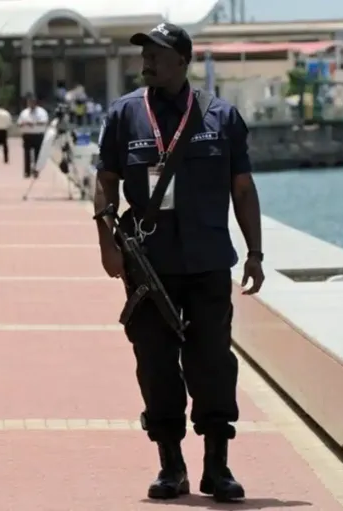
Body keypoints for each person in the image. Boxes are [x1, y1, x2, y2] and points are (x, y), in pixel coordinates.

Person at [93, 23, 264, 503]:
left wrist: (255, 251)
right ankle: (171, 466)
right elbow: (105, 180)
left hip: (209, 263)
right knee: (155, 364)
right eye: (144, 54)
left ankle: (217, 468)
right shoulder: (125, 114)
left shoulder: (221, 116)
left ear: (183, 60)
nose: (147, 62)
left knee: (212, 363)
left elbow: (243, 189)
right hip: (149, 267)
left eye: (157, 54)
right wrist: (105, 239)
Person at [16, 94, 49, 178]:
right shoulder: (24, 112)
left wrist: (33, 123)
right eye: (29, 102)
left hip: (38, 135)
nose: (31, 104)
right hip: (27, 135)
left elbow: (44, 121)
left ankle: (36, 171)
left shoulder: (41, 112)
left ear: (35, 103)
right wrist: (24, 123)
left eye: (32, 102)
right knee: (27, 154)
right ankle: (27, 171)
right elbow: (19, 123)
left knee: (37, 154)